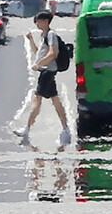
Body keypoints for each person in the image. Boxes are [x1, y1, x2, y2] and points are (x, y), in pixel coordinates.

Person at [14, 11, 71, 147]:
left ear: (46, 21)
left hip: (47, 72)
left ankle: (27, 129)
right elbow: (39, 53)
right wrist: (31, 40)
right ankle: (66, 129)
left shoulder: (51, 35)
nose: (36, 23)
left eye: (38, 21)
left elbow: (52, 53)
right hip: (46, 71)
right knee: (55, 100)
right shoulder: (44, 35)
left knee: (37, 99)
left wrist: (38, 64)